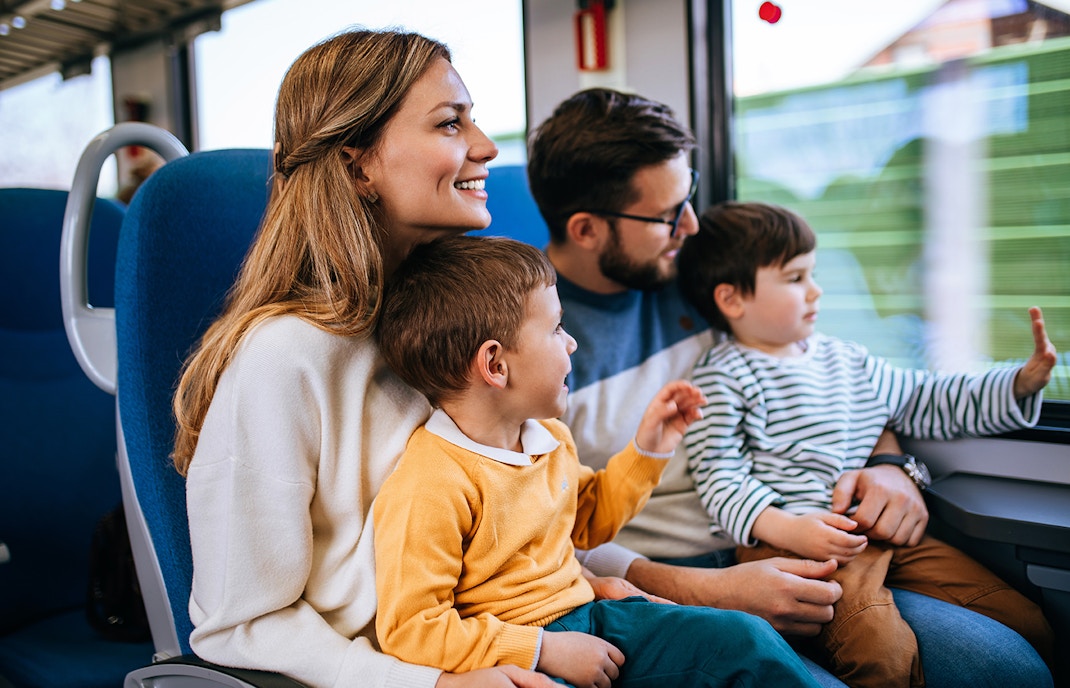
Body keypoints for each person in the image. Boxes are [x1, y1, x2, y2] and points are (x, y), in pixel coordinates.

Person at [526, 86, 1055, 687]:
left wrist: (891, 466)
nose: (692, 224)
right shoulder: (536, 340)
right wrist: (711, 588)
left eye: (690, 195)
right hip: (670, 576)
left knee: (1009, 666)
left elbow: (824, 374)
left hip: (809, 530)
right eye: (670, 214)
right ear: (588, 229)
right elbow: (545, 533)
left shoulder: (706, 272)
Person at [171, 29, 563, 688]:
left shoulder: (463, 328)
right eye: (449, 123)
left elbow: (529, 508)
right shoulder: (285, 359)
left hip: (528, 630)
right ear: (358, 167)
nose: (487, 147)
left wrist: (650, 584)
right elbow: (241, 624)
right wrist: (432, 686)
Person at [372, 234, 821, 688]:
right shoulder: (431, 482)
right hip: (520, 648)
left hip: (593, 613)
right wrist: (542, 651)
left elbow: (587, 522)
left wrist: (649, 449)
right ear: (496, 365)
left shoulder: (548, 437)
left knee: (743, 637)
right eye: (555, 329)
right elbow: (412, 629)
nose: (571, 344)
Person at [676, 200, 1056, 687]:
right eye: (795, 279)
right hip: (793, 550)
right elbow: (719, 476)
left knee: (1022, 617)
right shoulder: (723, 376)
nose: (816, 291)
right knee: (882, 653)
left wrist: (1018, 383)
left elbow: (926, 398)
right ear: (732, 301)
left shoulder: (848, 360)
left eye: (811, 274)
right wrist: (792, 530)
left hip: (875, 531)